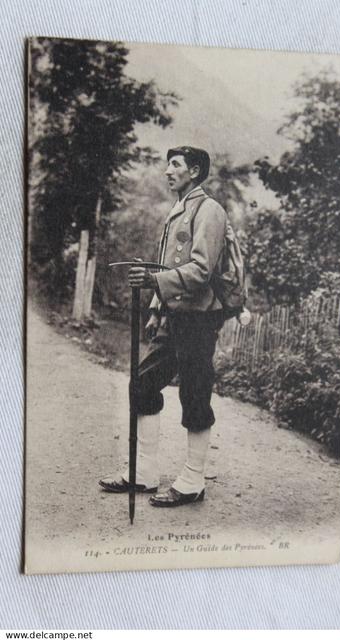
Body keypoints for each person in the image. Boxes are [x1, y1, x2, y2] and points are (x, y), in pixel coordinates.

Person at [99, 146, 227, 507]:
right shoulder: (178, 211)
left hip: (200, 318)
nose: (167, 170)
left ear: (195, 171)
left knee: (195, 393)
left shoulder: (209, 210)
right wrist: (158, 306)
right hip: (175, 316)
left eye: (176, 164)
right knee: (143, 383)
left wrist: (156, 282)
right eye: (168, 164)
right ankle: (143, 472)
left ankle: (192, 480)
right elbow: (168, 265)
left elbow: (202, 270)